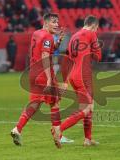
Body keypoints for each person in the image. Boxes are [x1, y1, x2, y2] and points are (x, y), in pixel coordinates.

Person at [10, 13, 65, 148]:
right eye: (53, 22)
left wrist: (57, 43)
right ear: (46, 23)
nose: (57, 24)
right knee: (55, 103)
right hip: (43, 73)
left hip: (32, 73)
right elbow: (45, 55)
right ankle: (58, 136)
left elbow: (46, 49)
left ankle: (17, 129)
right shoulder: (47, 36)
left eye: (57, 22)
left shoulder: (36, 33)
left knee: (34, 104)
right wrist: (48, 79)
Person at [59, 15, 102, 147]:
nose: (96, 31)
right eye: (96, 29)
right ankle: (58, 130)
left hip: (74, 75)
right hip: (83, 76)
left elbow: (68, 59)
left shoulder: (73, 37)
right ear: (94, 26)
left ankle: (87, 139)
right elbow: (98, 57)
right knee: (86, 108)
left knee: (89, 107)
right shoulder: (91, 34)